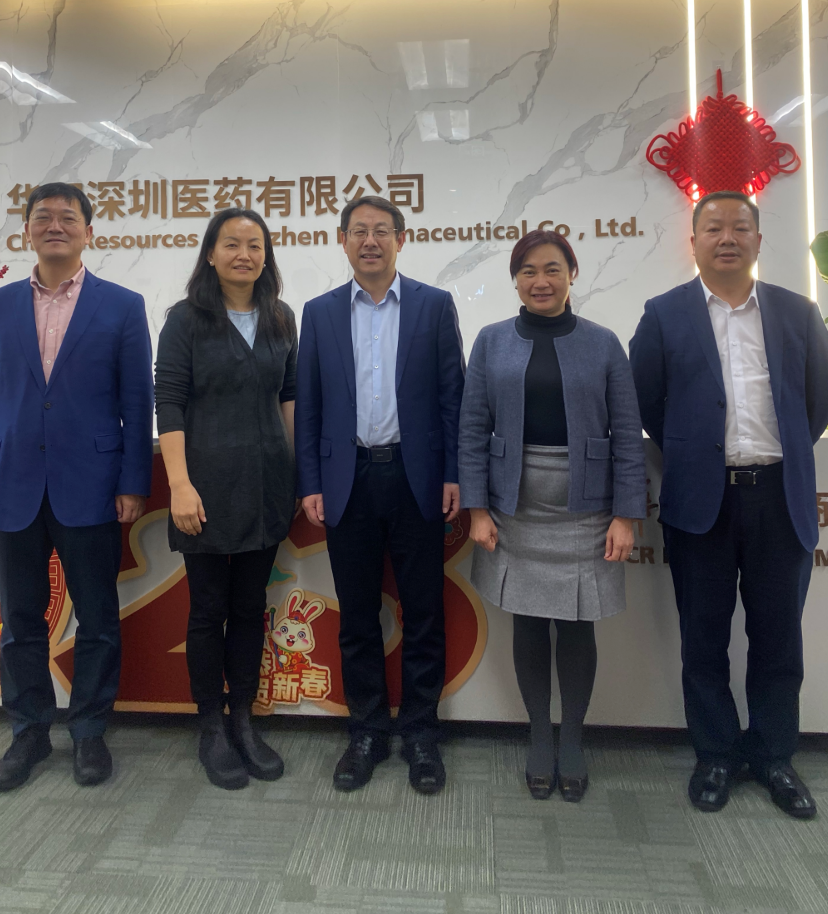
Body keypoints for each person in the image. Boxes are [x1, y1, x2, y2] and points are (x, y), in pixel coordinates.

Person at [628, 191, 828, 819]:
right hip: (702, 502)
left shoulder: (798, 312)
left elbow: (818, 403)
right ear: (692, 242)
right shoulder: (663, 314)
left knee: (779, 638)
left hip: (778, 497)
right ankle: (716, 754)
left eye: (739, 228)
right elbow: (647, 403)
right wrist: (694, 453)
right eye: (713, 228)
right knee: (704, 638)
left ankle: (773, 756)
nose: (727, 238)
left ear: (757, 240)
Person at [0, 182, 155, 791]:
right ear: (26, 231)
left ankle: (89, 731)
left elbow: (136, 403)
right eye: (42, 217)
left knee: (97, 616)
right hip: (9, 484)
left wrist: (132, 481)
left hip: (91, 486)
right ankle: (29, 732)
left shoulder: (122, 306)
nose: (55, 226)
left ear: (89, 232)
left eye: (68, 217)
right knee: (20, 620)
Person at [459, 230, 645, 802]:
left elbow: (627, 434)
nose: (541, 281)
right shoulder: (491, 341)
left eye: (553, 269)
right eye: (529, 271)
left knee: (578, 622)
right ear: (515, 280)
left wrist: (626, 514)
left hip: (586, 505)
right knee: (529, 621)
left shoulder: (604, 343)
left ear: (572, 274)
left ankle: (573, 739)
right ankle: (539, 734)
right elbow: (471, 429)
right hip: (513, 504)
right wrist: (477, 508)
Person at [294, 195, 465, 795]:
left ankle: (420, 733)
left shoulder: (433, 306)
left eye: (382, 231)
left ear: (400, 239)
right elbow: (309, 405)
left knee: (423, 613)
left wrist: (454, 472)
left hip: (417, 479)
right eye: (359, 231)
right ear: (341, 240)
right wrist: (311, 481)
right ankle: (365, 731)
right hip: (349, 480)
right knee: (358, 616)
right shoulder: (318, 313)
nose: (370, 241)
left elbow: (453, 397)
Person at [155, 208, 297, 790]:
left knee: (249, 608)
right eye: (231, 244)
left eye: (255, 245)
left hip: (266, 485)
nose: (244, 254)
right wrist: (180, 484)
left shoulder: (281, 316)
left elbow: (289, 396)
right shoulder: (186, 319)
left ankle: (243, 718)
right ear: (210, 254)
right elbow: (169, 400)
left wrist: (296, 473)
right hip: (205, 487)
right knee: (208, 611)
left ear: (266, 255)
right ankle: (210, 725)